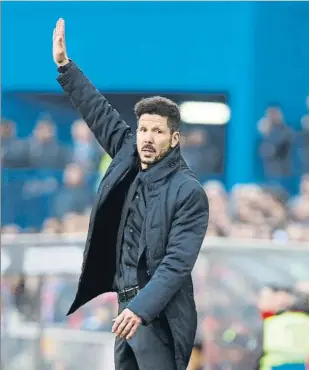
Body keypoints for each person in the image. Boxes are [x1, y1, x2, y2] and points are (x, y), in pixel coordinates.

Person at [52, 18, 209, 370]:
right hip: (125, 310)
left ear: (174, 139)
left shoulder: (189, 192)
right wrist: (65, 66)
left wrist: (140, 309)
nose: (147, 138)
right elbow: (98, 112)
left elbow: (176, 265)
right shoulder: (127, 155)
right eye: (142, 129)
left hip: (160, 317)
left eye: (157, 131)